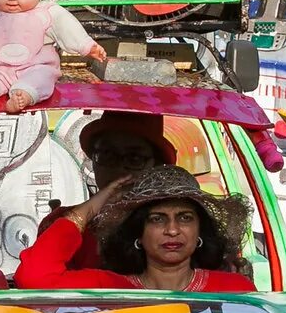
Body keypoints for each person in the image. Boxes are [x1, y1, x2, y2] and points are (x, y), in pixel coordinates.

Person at [16, 166, 256, 293]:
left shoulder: (233, 289)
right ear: (138, 234)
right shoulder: (109, 287)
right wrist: (93, 207)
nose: (172, 230)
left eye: (184, 218)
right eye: (157, 219)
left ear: (200, 231)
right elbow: (34, 277)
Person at [35, 111, 179, 270]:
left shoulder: (175, 228)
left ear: (155, 165)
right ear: (93, 161)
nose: (118, 167)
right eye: (107, 155)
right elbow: (35, 274)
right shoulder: (61, 223)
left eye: (134, 158)